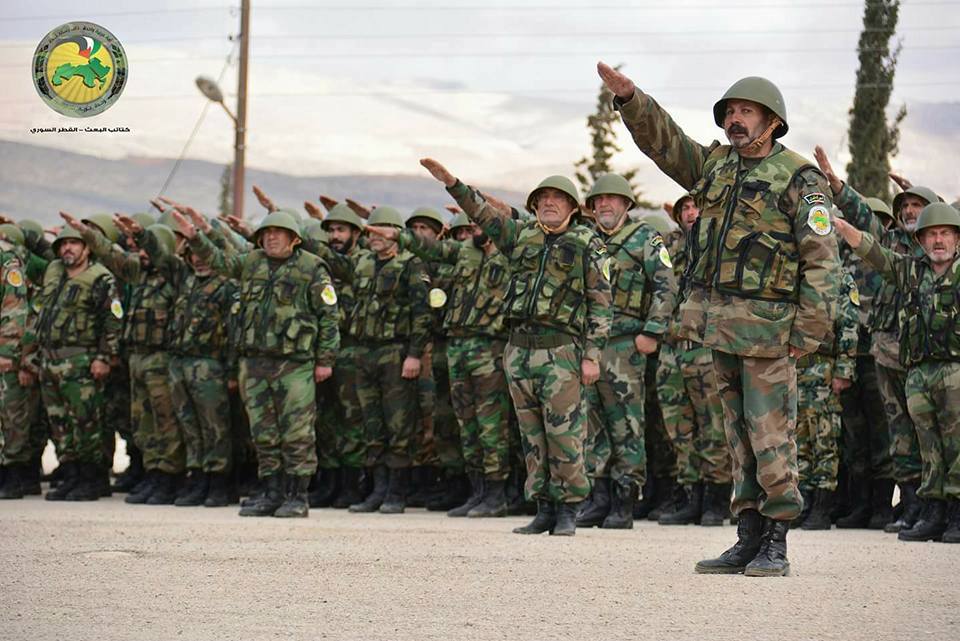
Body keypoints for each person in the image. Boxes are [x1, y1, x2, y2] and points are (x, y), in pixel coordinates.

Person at [597, 63, 839, 574]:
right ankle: (747, 536)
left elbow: (822, 259)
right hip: (720, 326)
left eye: (746, 111)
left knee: (771, 436)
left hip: (770, 331)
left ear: (773, 121)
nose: (735, 120)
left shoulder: (800, 177)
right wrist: (632, 100)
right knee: (738, 437)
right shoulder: (715, 166)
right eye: (730, 112)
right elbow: (665, 143)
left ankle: (776, 541)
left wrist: (809, 330)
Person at [421, 158, 612, 536]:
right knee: (531, 434)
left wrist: (592, 355)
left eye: (558, 197)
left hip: (560, 350)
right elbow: (483, 213)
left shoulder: (588, 244)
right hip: (519, 348)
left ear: (572, 207)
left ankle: (568, 509)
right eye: (543, 198)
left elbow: (602, 303)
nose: (549, 202)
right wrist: (454, 184)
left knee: (565, 433)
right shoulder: (521, 236)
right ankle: (543, 507)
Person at [170, 207, 340, 518]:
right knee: (263, 432)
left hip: (294, 364)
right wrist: (195, 238)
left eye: (278, 233)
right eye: (266, 233)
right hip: (255, 362)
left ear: (294, 238)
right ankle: (272, 492)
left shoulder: (312, 267)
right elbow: (218, 261)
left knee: (297, 432)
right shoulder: (251, 262)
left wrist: (325, 360)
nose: (271, 237)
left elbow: (328, 316)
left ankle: (297, 495)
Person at [813, 146, 935, 532]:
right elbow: (862, 218)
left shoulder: (934, 246)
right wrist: (837, 186)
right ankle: (908, 508)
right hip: (883, 350)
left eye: (918, 206)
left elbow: (946, 222)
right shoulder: (890, 242)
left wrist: (924, 195)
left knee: (926, 431)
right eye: (906, 206)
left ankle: (933, 508)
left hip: (922, 351)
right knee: (895, 433)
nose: (910, 211)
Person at [366, 211, 514, 518]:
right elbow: (433, 248)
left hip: (490, 347)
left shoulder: (512, 253)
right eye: (472, 223)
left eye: (480, 222)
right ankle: (477, 492)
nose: (473, 228)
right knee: (466, 424)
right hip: (458, 345)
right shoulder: (465, 252)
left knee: (491, 425)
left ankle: (496, 494)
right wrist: (401, 236)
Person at [835, 203, 960, 543]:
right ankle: (933, 511)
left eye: (944, 234)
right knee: (927, 445)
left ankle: (957, 513)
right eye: (931, 235)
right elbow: (875, 253)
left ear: (956, 238)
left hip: (954, 369)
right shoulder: (910, 271)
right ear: (920, 240)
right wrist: (842, 227)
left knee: (956, 444)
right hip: (917, 371)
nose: (938, 241)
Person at [575, 173, 677, 530]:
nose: (604, 205)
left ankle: (625, 499)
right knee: (592, 423)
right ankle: (598, 497)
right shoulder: (586, 240)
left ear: (626, 204)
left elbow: (666, 286)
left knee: (627, 424)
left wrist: (652, 331)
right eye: (598, 201)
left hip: (625, 343)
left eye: (611, 199)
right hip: (589, 345)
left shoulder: (645, 238)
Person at [32, 225, 122, 501]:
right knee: (59, 423)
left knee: (86, 423)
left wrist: (104, 357)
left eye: (73, 243)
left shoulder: (101, 278)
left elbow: (112, 320)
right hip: (51, 359)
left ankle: (92, 479)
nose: (67, 248)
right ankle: (71, 476)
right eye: (63, 244)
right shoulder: (54, 272)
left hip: (81, 360)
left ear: (87, 248)